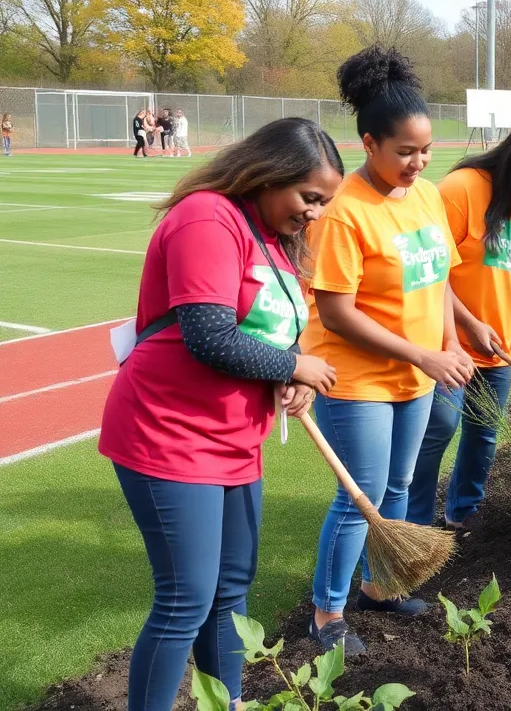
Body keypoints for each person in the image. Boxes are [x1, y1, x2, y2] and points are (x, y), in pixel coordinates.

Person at [98, 118, 344, 710]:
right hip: (167, 433)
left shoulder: (275, 237)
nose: (314, 213)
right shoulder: (208, 217)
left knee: (231, 592)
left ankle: (225, 704)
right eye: (309, 197)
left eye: (323, 203)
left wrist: (294, 367)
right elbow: (208, 334)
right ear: (268, 174)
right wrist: (293, 368)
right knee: (186, 597)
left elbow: (270, 331)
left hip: (235, 439)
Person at [303, 46, 476, 656]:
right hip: (357, 379)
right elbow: (336, 313)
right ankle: (326, 614)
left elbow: (441, 279)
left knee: (401, 485)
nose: (418, 162)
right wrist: (424, 355)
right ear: (369, 142)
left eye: (425, 151)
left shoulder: (426, 195)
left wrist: (451, 343)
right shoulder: (343, 212)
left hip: (419, 373)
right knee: (361, 497)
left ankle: (382, 585)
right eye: (405, 151)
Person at [408, 118, 511, 532]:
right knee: (439, 429)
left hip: (500, 351)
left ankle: (463, 513)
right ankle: (412, 522)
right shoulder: (462, 190)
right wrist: (468, 323)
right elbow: (431, 273)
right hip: (444, 343)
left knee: (484, 435)